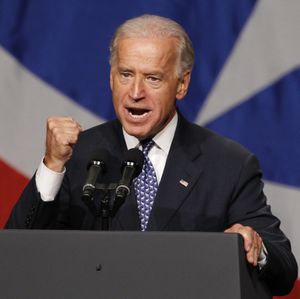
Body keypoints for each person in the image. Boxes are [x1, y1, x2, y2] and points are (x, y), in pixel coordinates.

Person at [5, 14, 297, 295]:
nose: (135, 92)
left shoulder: (229, 164)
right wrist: (53, 165)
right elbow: (14, 257)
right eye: (126, 74)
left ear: (181, 84)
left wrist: (255, 247)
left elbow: (284, 269)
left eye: (153, 78)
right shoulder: (78, 155)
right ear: (110, 77)